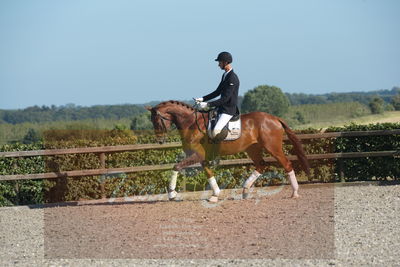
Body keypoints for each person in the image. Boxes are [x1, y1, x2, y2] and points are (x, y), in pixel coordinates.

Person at [195, 51, 240, 140]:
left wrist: (208, 104)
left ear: (225, 63)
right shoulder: (225, 75)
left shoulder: (232, 78)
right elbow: (217, 92)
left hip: (228, 110)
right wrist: (203, 99)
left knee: (215, 131)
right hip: (221, 109)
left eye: (220, 62)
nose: (218, 65)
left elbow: (225, 99)